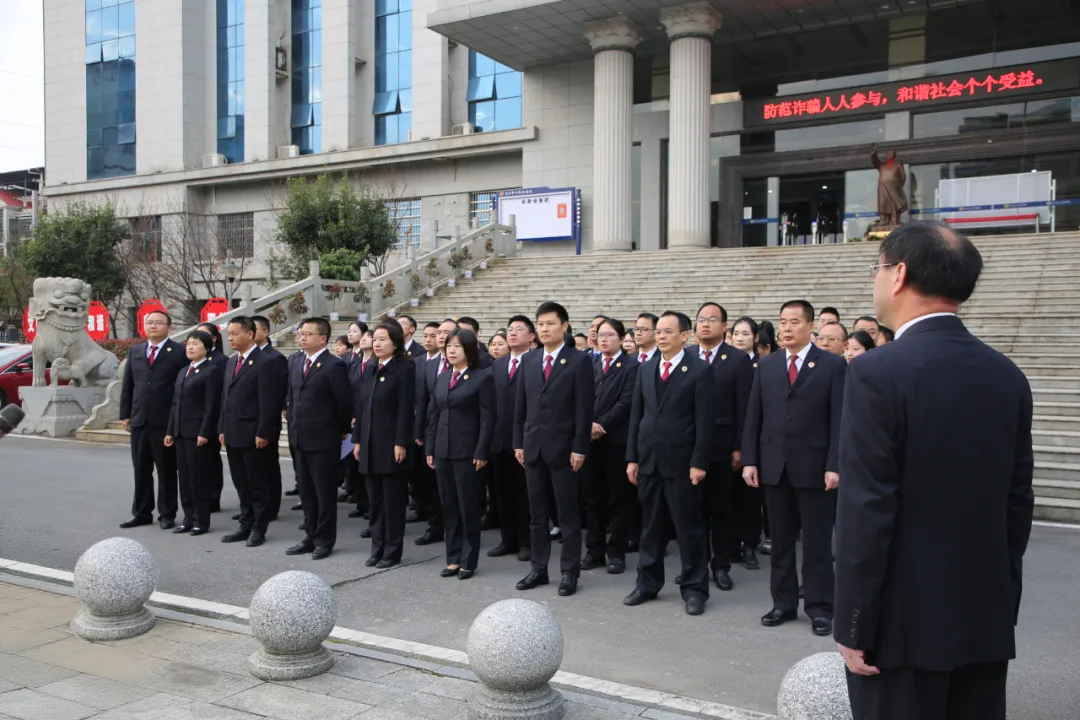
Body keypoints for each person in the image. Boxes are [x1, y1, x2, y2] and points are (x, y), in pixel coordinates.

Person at [835, 221, 1033, 720]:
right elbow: (1017, 505)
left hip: (901, 630)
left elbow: (866, 510)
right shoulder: (1007, 375)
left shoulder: (876, 372)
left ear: (899, 274)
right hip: (983, 620)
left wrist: (854, 624)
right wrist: (1000, 606)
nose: (876, 279)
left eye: (877, 268)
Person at [742, 300, 846, 637]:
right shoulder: (767, 365)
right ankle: (783, 603)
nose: (786, 328)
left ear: (811, 326)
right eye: (782, 322)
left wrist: (834, 465)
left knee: (816, 545)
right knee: (781, 542)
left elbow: (840, 419)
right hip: (774, 466)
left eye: (794, 322)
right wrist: (750, 460)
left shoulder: (832, 365)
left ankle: (820, 608)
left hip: (815, 467)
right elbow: (754, 416)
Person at [623, 311, 713, 616]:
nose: (660, 336)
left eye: (667, 331)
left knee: (689, 529)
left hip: (682, 462)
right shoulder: (646, 368)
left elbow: (704, 420)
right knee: (650, 527)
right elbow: (637, 415)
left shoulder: (699, 370)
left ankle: (695, 589)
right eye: (658, 331)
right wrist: (632, 457)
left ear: (684, 336)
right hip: (649, 459)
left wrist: (698, 462)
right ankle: (647, 584)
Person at [513, 301, 594, 597]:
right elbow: (520, 406)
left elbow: (584, 409)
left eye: (550, 323)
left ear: (564, 326)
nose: (544, 329)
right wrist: (518, 443)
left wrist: (580, 448)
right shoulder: (529, 360)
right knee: (537, 514)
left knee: (567, 515)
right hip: (533, 447)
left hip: (564, 449)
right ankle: (539, 569)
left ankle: (569, 572)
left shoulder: (579, 360)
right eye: (540, 324)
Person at [425, 327, 495, 579]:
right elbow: (434, 415)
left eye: (457, 346)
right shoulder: (443, 377)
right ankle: (453, 557)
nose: (451, 351)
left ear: (469, 350)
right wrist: (431, 447)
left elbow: (487, 418)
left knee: (468, 506)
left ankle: (468, 559)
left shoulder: (482, 377)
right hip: (443, 449)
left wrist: (481, 450)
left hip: (468, 451)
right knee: (449, 505)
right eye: (449, 346)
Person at [694, 303, 755, 590]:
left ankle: (720, 566)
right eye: (701, 319)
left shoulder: (738, 359)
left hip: (722, 446)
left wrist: (739, 447)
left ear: (724, 327)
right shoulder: (687, 355)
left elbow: (745, 407)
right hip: (689, 445)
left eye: (712, 319)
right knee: (693, 512)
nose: (705, 324)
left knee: (720, 510)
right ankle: (695, 567)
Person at [284, 318, 352, 560]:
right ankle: (310, 535)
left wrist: (341, 430)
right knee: (306, 492)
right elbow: (292, 397)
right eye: (300, 333)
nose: (302, 338)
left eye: (307, 334)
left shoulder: (334, 365)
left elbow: (343, 404)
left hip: (324, 438)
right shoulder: (296, 361)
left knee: (324, 493)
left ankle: (324, 540)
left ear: (323, 339)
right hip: (299, 436)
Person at [354, 321, 416, 568]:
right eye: (375, 339)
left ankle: (392, 550)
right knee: (375, 502)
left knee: (392, 502)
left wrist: (401, 442)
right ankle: (377, 547)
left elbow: (405, 409)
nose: (377, 344)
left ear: (395, 343)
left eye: (383, 339)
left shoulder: (404, 369)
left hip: (391, 444)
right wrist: (358, 440)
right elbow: (362, 407)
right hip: (369, 443)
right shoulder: (370, 367)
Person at [218, 317, 284, 547]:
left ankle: (259, 528)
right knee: (241, 482)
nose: (231, 338)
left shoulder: (266, 361)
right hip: (233, 431)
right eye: (229, 334)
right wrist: (222, 427)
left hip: (254, 432)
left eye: (235, 333)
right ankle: (245, 524)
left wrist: (264, 432)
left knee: (258, 484)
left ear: (250, 334)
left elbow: (269, 401)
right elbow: (225, 399)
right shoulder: (231, 362)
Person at [119, 310, 188, 529]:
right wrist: (125, 414)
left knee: (166, 470)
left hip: (165, 421)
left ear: (169, 327)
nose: (154, 326)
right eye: (149, 322)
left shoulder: (179, 352)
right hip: (140, 419)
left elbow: (181, 388)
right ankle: (141, 512)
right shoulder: (136, 351)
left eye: (159, 322)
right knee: (141, 469)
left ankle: (167, 513)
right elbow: (128, 385)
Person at [582, 317, 639, 574]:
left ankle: (616, 552)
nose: (603, 339)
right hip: (589, 441)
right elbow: (580, 397)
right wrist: (587, 424)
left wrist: (601, 424)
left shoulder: (632, 366)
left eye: (610, 335)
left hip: (616, 441)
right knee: (592, 499)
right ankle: (593, 551)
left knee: (619, 499)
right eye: (600, 335)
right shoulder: (589, 363)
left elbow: (627, 401)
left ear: (622, 339)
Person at [163, 330, 222, 536]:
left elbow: (211, 406)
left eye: (195, 343)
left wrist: (205, 432)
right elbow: (175, 404)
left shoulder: (211, 371)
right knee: (185, 479)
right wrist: (170, 430)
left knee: (199, 478)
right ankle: (188, 518)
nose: (190, 347)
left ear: (206, 348)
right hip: (181, 432)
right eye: (188, 343)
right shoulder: (183, 371)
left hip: (198, 434)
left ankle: (201, 521)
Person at [488, 316, 534, 561]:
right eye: (510, 330)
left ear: (531, 336)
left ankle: (527, 541)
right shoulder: (498, 364)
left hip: (526, 439)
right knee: (503, 493)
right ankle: (508, 540)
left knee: (525, 494)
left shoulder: (536, 361)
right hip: (499, 439)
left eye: (519, 329)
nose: (512, 333)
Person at [413, 319, 458, 545]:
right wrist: (419, 432)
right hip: (432, 431)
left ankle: (457, 530)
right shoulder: (430, 365)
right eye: (439, 332)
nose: (441, 336)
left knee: (454, 488)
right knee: (432, 483)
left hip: (457, 434)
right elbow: (423, 402)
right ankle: (435, 526)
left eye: (446, 332)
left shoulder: (467, 364)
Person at [252, 315, 288, 521]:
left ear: (265, 332)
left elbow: (278, 391)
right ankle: (254, 507)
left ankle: (270, 507)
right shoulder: (245, 358)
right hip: (247, 421)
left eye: (254, 329)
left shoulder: (274, 358)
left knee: (268, 466)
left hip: (267, 421)